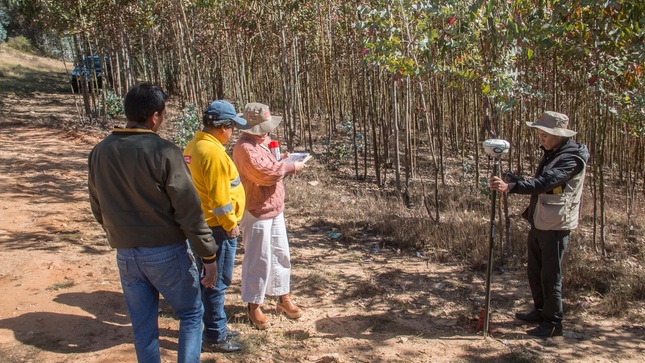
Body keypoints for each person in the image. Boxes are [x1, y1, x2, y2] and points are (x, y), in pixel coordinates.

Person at [88, 82, 219, 363]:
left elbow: (98, 206)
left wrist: (120, 233)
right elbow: (189, 210)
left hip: (125, 254)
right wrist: (208, 254)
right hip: (166, 252)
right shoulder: (164, 151)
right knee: (191, 314)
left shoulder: (100, 151)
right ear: (155, 116)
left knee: (143, 326)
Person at [489, 111, 589, 338]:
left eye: (545, 134)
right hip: (541, 219)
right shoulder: (554, 152)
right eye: (540, 134)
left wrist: (510, 188)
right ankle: (541, 311)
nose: (541, 138)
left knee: (550, 275)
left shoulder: (570, 158)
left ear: (559, 135)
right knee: (535, 270)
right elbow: (542, 183)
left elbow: (547, 182)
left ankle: (553, 324)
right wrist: (516, 180)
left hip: (555, 224)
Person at [232, 102, 307, 329]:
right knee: (259, 258)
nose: (267, 131)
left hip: (274, 207)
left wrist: (283, 158)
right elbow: (265, 175)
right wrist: (290, 167)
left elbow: (271, 165)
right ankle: (254, 304)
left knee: (280, 253)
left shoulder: (261, 142)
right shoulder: (244, 148)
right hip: (256, 210)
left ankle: (282, 296)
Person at [183, 100, 249, 353]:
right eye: (232, 126)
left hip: (202, 224)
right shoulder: (214, 154)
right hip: (217, 228)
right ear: (223, 127)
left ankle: (213, 324)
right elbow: (220, 200)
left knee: (206, 279)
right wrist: (231, 224)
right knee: (216, 281)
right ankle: (216, 335)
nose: (233, 132)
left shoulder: (194, 145)